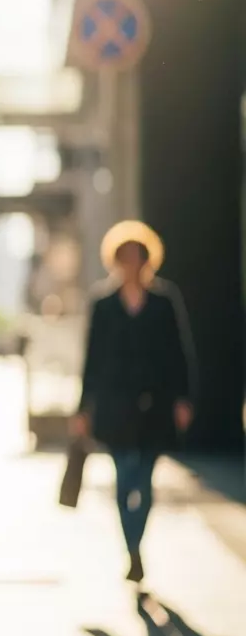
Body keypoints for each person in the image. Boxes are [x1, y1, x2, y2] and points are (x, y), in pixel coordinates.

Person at [70, 221, 194, 585]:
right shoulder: (103, 304)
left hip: (156, 406)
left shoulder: (164, 301)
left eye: (137, 256)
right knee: (125, 480)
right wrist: (82, 408)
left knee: (146, 479)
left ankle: (136, 542)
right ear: (115, 260)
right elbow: (91, 359)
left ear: (147, 259)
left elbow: (179, 352)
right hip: (115, 407)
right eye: (124, 256)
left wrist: (184, 398)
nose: (131, 263)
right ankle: (133, 550)